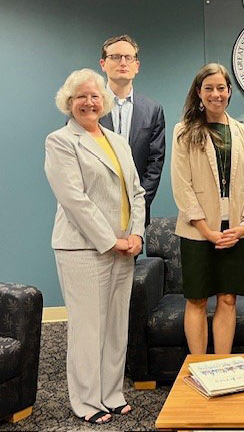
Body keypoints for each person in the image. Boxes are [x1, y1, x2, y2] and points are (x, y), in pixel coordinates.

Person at [44, 68, 145, 424]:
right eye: (81, 96)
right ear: (68, 103)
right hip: (83, 250)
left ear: (104, 102)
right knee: (88, 327)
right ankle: (86, 401)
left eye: (95, 96)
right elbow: (74, 199)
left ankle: (111, 394)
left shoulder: (117, 141)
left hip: (124, 247)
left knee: (116, 325)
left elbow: (136, 192)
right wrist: (111, 240)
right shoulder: (60, 141)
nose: (89, 102)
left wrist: (137, 235)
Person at [171, 63, 244, 355]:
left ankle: (221, 364)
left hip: (235, 231)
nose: (215, 94)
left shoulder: (243, 132)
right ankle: (199, 366)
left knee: (228, 299)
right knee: (197, 300)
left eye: (221, 88)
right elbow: (182, 185)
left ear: (230, 92)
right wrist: (206, 230)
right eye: (209, 88)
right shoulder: (184, 131)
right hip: (198, 232)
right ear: (199, 92)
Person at [99, 34, 165, 229]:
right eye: (116, 57)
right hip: (95, 212)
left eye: (129, 58)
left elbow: (155, 164)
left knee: (130, 260)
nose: (123, 62)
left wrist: (138, 207)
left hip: (135, 213)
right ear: (103, 63)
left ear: (137, 66)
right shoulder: (88, 107)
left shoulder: (153, 110)